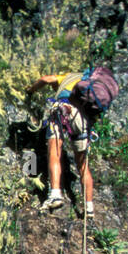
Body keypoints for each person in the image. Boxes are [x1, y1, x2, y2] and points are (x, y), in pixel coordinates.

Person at [25, 70, 99, 217]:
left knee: (54, 151)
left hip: (64, 110)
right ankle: (89, 207)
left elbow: (46, 79)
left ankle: (55, 194)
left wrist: (30, 90)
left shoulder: (65, 77)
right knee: (83, 165)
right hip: (83, 119)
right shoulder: (88, 84)